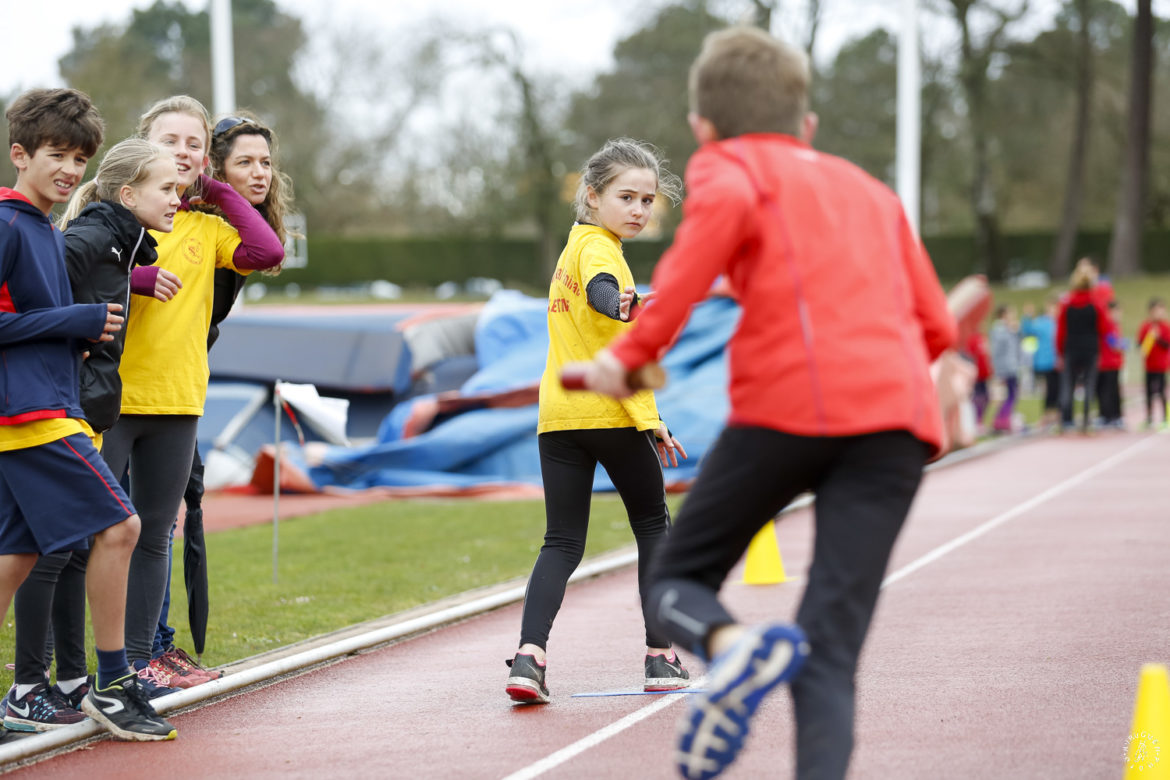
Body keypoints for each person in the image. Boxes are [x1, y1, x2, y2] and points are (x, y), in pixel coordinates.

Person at [569, 28, 956, 779]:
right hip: (895, 428)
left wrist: (625, 358)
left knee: (675, 581)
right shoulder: (873, 192)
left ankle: (730, 646)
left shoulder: (729, 169)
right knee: (831, 653)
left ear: (701, 130)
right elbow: (937, 325)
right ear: (806, 125)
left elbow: (684, 277)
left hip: (789, 408)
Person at [0, 88, 176, 740]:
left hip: (51, 401)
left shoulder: (45, 227)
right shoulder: (10, 224)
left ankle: (34, 695)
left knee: (16, 557)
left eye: (79, 157)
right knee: (123, 527)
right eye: (55, 154)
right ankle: (111, 683)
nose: (69, 169)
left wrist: (72, 335)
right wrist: (76, 322)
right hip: (33, 412)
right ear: (20, 154)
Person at [97, 95, 285, 696]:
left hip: (178, 399)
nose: (183, 153)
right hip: (111, 398)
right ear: (142, 144)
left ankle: (139, 662)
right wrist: (134, 279)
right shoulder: (110, 217)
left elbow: (268, 252)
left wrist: (217, 190)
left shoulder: (207, 225)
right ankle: (68, 671)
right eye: (170, 141)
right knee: (91, 533)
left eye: (194, 144)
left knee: (156, 532)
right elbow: (68, 278)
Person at [504, 138, 690, 704]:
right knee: (654, 527)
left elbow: (597, 325)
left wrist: (650, 416)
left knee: (561, 540)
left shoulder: (572, 250)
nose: (638, 209)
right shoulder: (602, 252)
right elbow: (605, 298)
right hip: (607, 415)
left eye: (648, 200)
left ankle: (529, 658)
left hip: (559, 418)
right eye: (626, 196)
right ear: (592, 195)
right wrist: (627, 305)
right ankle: (661, 653)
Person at [151, 111, 294, 682]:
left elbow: (268, 249)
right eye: (245, 163)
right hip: (142, 389)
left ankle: (153, 646)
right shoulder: (184, 221)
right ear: (215, 168)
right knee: (145, 525)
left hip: (181, 383)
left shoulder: (229, 235)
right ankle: (146, 650)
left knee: (158, 521)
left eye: (265, 163)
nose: (259, 174)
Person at [1056, 260, 1110, 434]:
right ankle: (1086, 419)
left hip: (1071, 347)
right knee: (1089, 384)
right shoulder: (1096, 304)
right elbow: (1104, 328)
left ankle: (1066, 420)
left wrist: (1060, 351)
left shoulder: (1067, 304)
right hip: (1090, 348)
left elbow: (1061, 329)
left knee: (1068, 384)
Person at [1020, 297, 1059, 429]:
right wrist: (1027, 316)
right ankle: (1048, 415)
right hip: (1044, 362)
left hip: (1058, 362)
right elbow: (1027, 330)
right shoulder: (1041, 322)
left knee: (1058, 389)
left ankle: (1057, 414)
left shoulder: (1060, 322)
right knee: (1049, 389)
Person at [1137, 297, 1170, 429]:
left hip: (1161, 366)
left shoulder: (1165, 327)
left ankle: (1165, 417)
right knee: (1148, 392)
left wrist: (1158, 338)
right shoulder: (1145, 326)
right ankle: (1149, 418)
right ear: (1150, 311)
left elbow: (1167, 344)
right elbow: (1140, 345)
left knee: (1162, 391)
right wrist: (1148, 338)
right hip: (1149, 366)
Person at [988, 304, 1021, 433]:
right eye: (1010, 314)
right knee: (1008, 395)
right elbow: (997, 350)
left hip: (1010, 366)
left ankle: (1003, 420)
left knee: (1011, 395)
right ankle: (1002, 421)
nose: (1013, 317)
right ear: (1003, 315)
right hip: (1005, 367)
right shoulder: (1000, 329)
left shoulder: (1007, 329)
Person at [1096, 301, 1125, 429]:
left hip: (1114, 363)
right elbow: (1114, 344)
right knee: (1105, 391)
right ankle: (1107, 416)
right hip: (1105, 363)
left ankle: (1115, 416)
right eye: (1116, 311)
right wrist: (1122, 345)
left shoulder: (1116, 325)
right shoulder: (1107, 324)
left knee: (1113, 391)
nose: (1118, 314)